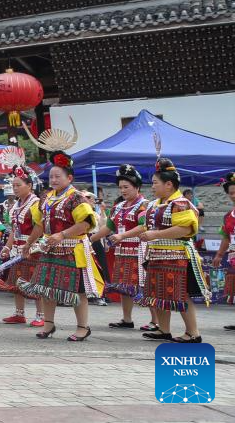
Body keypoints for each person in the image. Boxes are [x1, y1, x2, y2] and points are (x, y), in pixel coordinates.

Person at [17, 141, 104, 342]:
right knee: (45, 287)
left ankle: (83, 327)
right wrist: (29, 243)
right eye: (51, 176)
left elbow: (86, 223)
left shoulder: (77, 198)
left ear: (69, 178)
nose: (53, 180)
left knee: (78, 291)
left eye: (58, 176)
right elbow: (39, 224)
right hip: (50, 248)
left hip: (73, 250)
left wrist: (63, 235)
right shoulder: (46, 198)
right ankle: (49, 324)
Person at [131, 157, 210, 343]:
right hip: (157, 255)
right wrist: (127, 235)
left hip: (178, 256)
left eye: (155, 183)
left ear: (168, 184)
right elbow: (145, 225)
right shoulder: (153, 204)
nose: (152, 187)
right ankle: (163, 329)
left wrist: (155, 235)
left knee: (181, 294)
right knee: (159, 293)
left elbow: (185, 229)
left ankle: (193, 332)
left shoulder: (181, 203)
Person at [89, 164, 149, 329]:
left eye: (126, 187)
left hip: (141, 251)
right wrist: (90, 239)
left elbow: (144, 226)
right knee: (124, 287)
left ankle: (155, 321)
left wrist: (122, 235)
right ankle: (127, 319)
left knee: (145, 286)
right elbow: (108, 227)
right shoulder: (118, 207)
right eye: (120, 187)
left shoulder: (144, 205)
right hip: (122, 252)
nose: (123, 190)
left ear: (136, 186)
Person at [0, 165, 45, 327]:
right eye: (14, 185)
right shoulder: (17, 205)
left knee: (34, 282)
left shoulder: (36, 203)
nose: (15, 188)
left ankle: (41, 315)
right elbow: (14, 229)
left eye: (18, 185)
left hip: (34, 248)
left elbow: (40, 227)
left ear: (29, 186)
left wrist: (29, 243)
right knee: (17, 282)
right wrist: (7, 247)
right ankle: (19, 313)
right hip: (18, 247)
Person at [213, 172, 235, 331]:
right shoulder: (228, 216)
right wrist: (219, 254)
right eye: (231, 193)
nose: (233, 195)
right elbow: (226, 237)